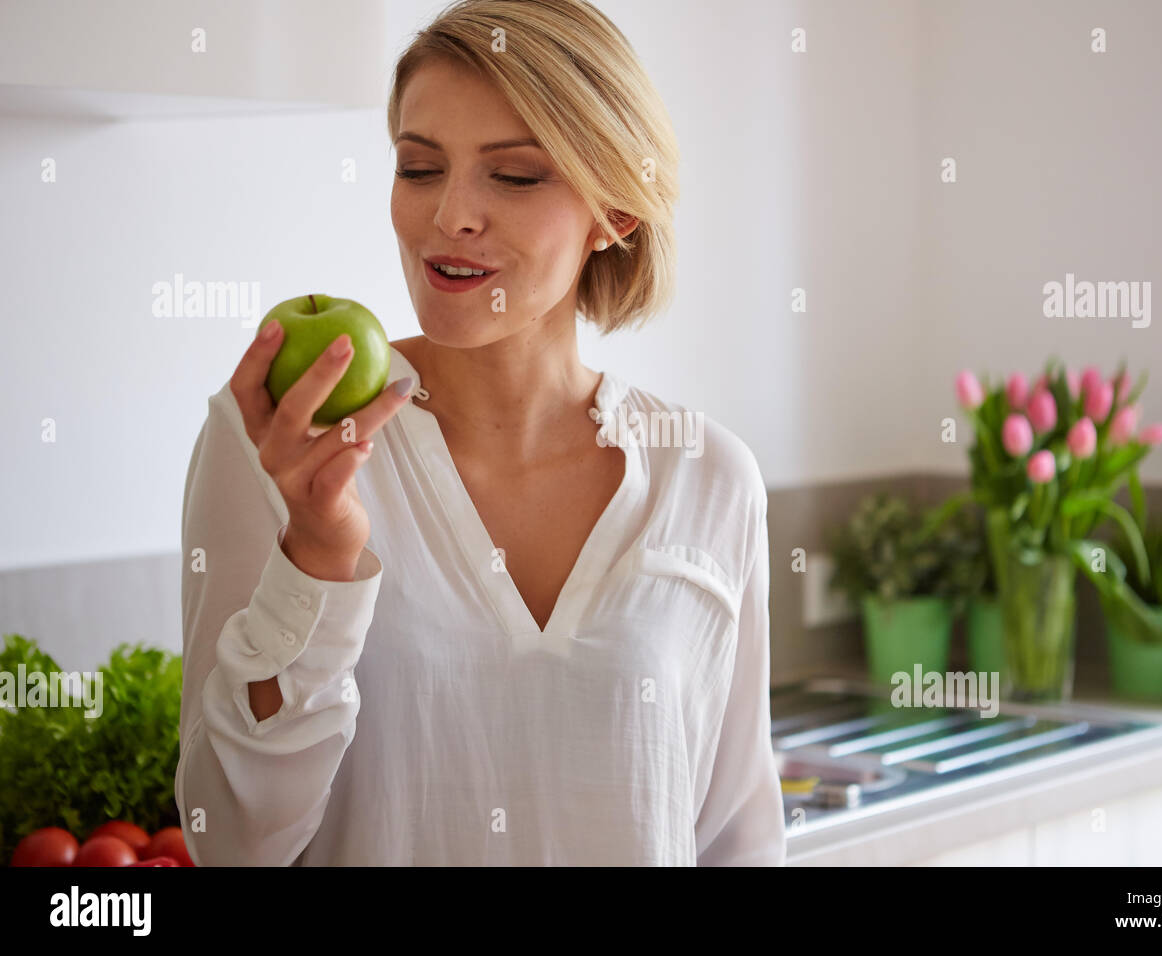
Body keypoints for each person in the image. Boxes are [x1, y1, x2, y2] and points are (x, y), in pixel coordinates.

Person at [175, 0, 785, 866]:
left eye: (516, 176)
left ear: (615, 209)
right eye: (420, 167)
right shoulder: (282, 440)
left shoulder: (709, 476)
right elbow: (230, 843)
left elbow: (737, 840)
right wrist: (315, 557)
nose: (449, 216)